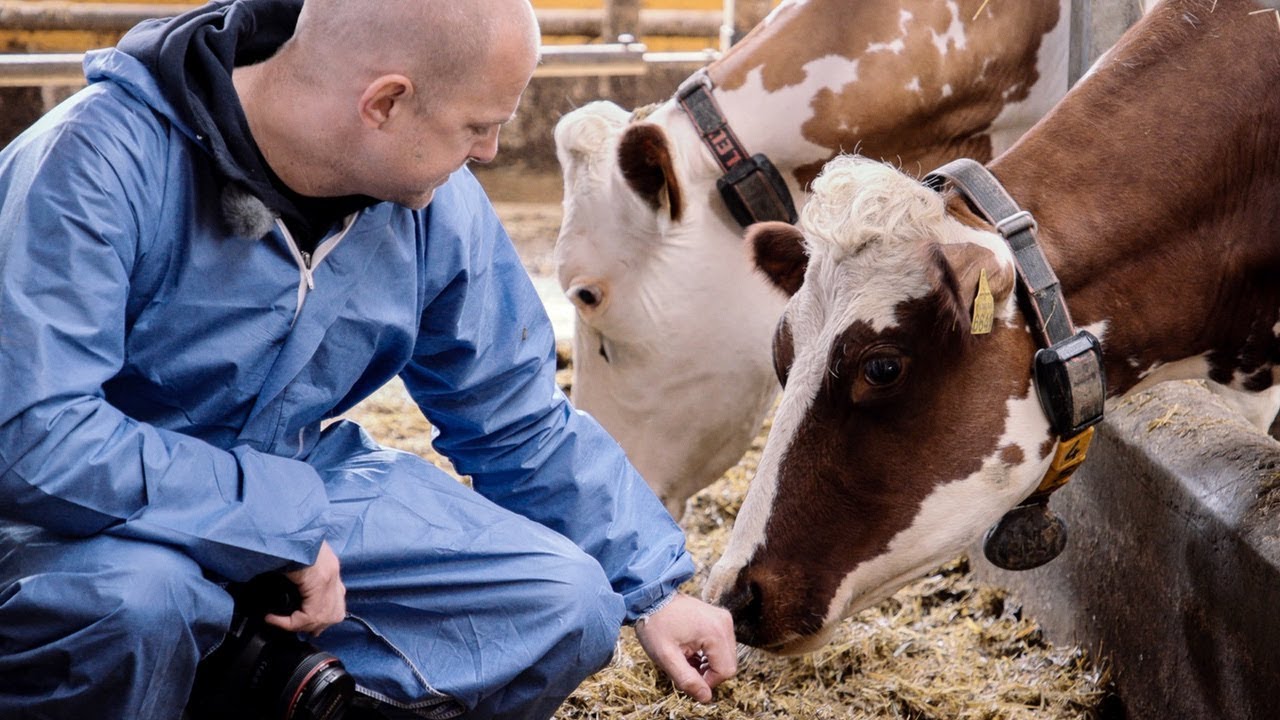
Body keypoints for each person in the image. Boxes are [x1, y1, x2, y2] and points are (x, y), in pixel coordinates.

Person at [0, 1, 737, 718]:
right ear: (385, 102)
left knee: (565, 599)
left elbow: (515, 420)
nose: (486, 151)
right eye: (478, 126)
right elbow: (34, 435)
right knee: (139, 604)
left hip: (294, 483)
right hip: (70, 522)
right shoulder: (96, 163)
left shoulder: (430, 201)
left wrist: (655, 587)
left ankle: (254, 680)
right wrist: (268, 521)